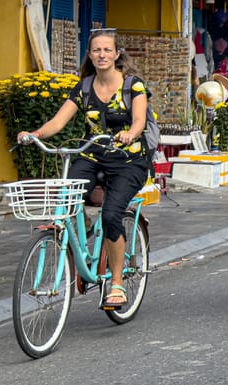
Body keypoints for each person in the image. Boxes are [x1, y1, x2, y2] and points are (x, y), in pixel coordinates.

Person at [19, 28, 153, 312]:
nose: (102, 55)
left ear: (117, 55)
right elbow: (58, 122)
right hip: (93, 155)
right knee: (67, 196)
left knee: (112, 213)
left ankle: (116, 283)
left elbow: (139, 120)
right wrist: (35, 134)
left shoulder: (133, 85)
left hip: (128, 160)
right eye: (96, 50)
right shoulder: (83, 87)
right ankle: (82, 233)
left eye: (107, 50)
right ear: (90, 55)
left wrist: (130, 134)